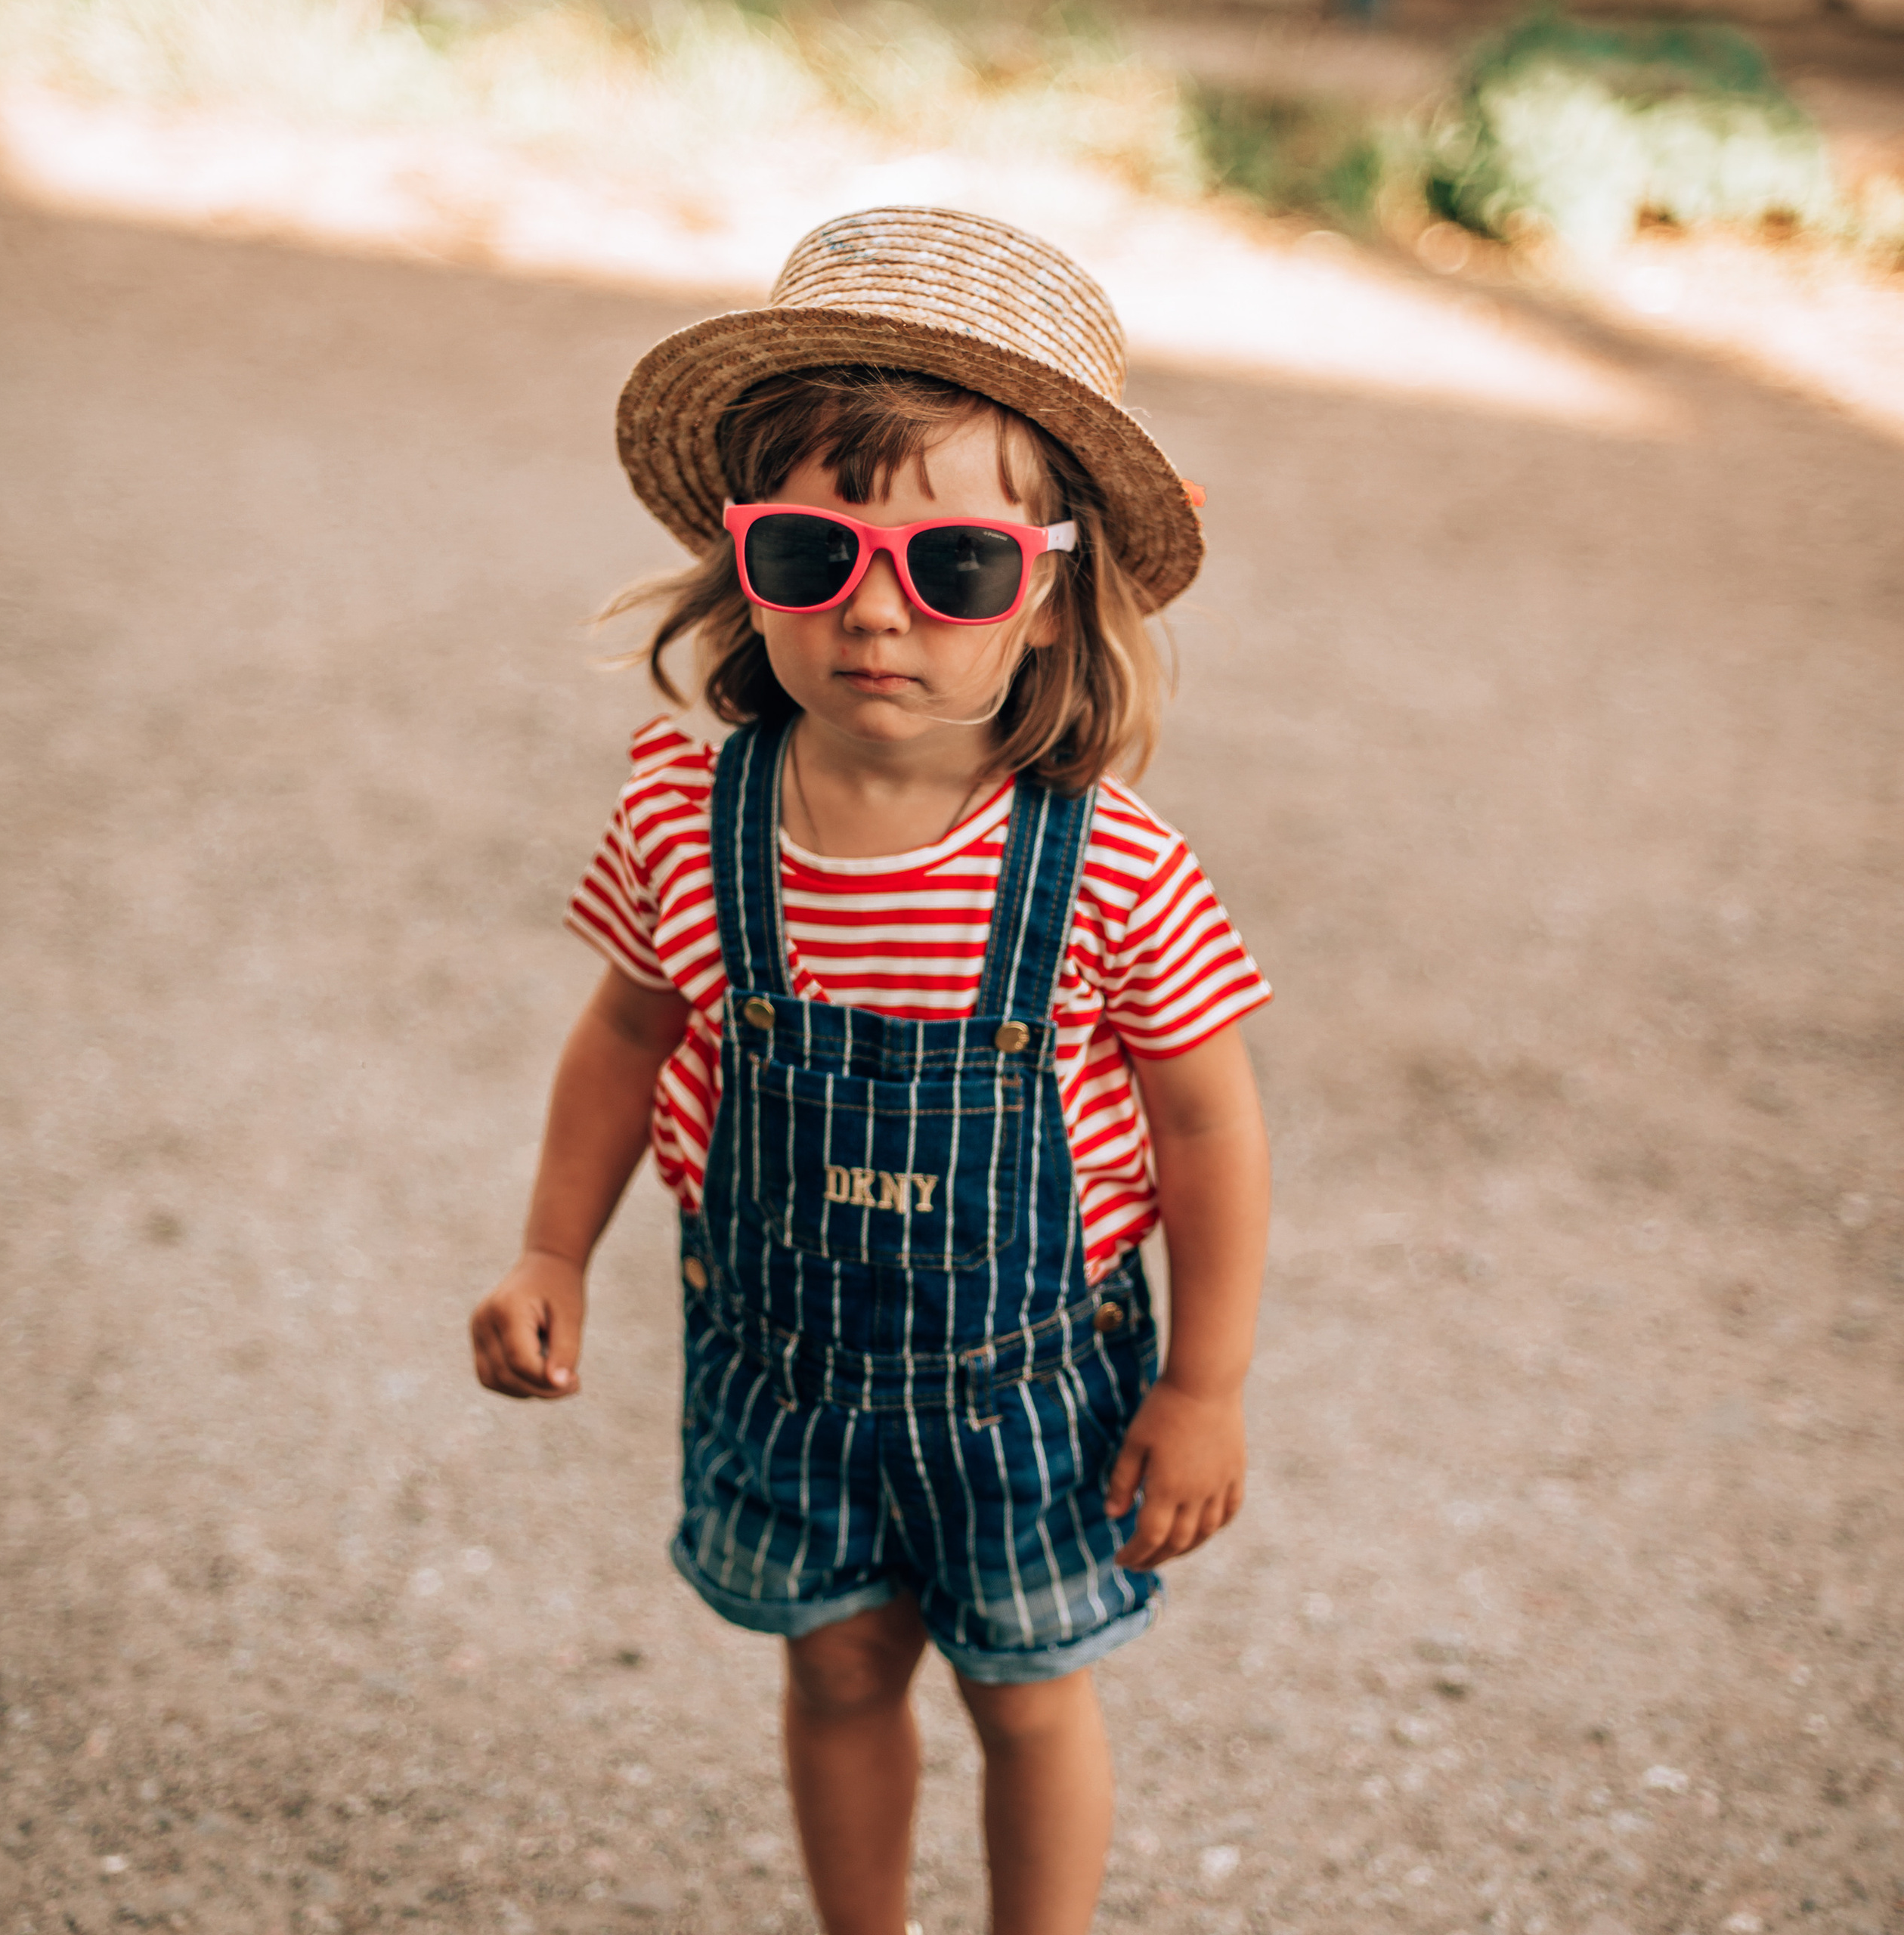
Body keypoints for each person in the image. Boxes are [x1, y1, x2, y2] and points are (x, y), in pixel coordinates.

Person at [469, 206, 1272, 1935]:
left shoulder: (1112, 866)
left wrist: (1200, 1383)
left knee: (1025, 1692)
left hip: (1030, 1399)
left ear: (1047, 599)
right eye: (811, 556)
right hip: (784, 1372)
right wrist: (551, 1246)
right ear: (743, 567)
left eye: (956, 565)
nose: (879, 614)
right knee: (835, 1675)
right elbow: (625, 1031)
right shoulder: (688, 819)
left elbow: (1208, 1123)